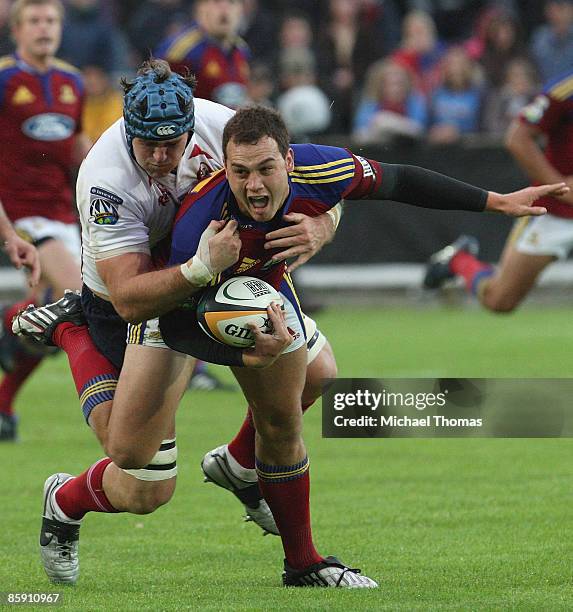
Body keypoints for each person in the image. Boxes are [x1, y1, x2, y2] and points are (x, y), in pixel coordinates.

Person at [161, 106, 565, 587]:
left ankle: (237, 460)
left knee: (322, 376)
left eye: (266, 169)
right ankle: (303, 564)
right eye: (240, 172)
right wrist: (245, 355)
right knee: (278, 422)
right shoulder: (200, 227)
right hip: (199, 307)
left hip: (268, 291)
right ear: (224, 168)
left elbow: (401, 181)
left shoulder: (321, 167)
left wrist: (495, 201)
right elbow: (172, 325)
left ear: (288, 162)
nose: (253, 186)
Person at [12, 58, 339, 585]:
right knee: (140, 474)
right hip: (141, 299)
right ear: (126, 129)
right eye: (149, 146)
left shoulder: (221, 126)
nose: (164, 157)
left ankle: (240, 467)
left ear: (191, 121)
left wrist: (323, 224)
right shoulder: (104, 177)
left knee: (318, 373)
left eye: (174, 142)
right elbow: (129, 297)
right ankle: (66, 485)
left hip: (220, 277)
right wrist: (199, 267)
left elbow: (312, 177)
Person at [0, 0, 90, 441]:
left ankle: (2, 406)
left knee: (47, 324)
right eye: (34, 20)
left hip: (62, 213)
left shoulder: (72, 80)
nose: (44, 28)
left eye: (51, 20)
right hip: (19, 213)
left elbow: (77, 147)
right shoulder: (3, 78)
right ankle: (6, 319)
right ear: (17, 30)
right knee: (76, 297)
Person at [424, 69, 573, 313]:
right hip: (555, 213)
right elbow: (517, 138)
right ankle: (460, 261)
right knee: (499, 300)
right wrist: (562, 187)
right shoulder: (565, 90)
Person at [155, 0, 249, 109]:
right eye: (216, 2)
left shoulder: (242, 50)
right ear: (201, 8)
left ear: (240, 10)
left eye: (231, 2)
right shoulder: (180, 52)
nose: (225, 8)